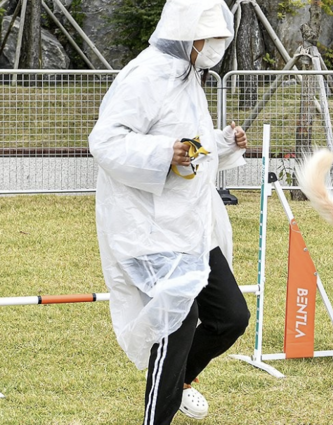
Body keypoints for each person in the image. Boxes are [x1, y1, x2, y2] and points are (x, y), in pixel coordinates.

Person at [88, 0, 250, 423]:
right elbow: (105, 142)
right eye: (206, 37)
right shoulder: (144, 75)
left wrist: (226, 142)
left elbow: (191, 145)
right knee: (178, 321)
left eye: (218, 38)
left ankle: (179, 381)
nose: (212, 47)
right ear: (182, 30)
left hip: (191, 227)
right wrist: (163, 153)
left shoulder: (187, 76)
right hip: (149, 227)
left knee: (231, 315)